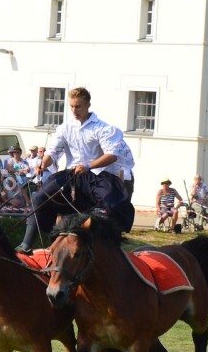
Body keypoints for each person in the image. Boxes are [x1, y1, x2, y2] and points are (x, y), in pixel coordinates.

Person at [15, 87, 134, 254]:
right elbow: (53, 152)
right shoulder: (65, 128)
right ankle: (27, 244)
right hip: (71, 175)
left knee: (116, 204)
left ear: (87, 105)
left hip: (97, 175)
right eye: (71, 106)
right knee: (40, 197)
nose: (74, 110)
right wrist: (43, 163)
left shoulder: (103, 128)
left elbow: (112, 155)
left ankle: (113, 245)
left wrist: (89, 166)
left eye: (78, 106)